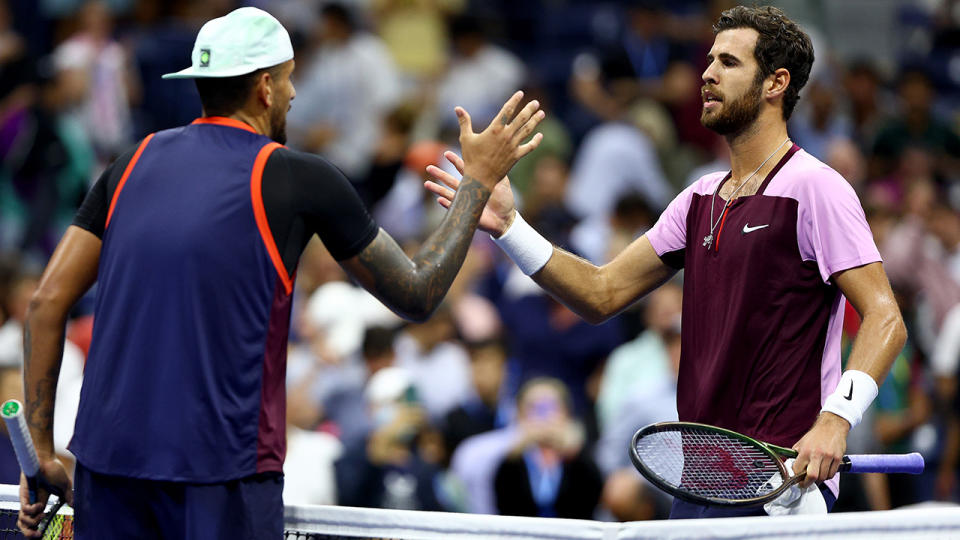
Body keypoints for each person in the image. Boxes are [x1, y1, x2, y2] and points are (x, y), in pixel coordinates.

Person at [18, 7, 544, 539]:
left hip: (107, 471)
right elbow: (417, 292)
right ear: (265, 87)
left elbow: (44, 304)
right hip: (222, 476)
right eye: (290, 79)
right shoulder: (297, 178)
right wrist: (475, 183)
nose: (295, 94)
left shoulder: (130, 161)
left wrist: (39, 450)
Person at [427, 5, 906, 518]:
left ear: (776, 83)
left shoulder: (817, 189)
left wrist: (836, 419)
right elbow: (600, 293)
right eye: (708, 60)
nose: (707, 73)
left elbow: (885, 318)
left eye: (728, 62)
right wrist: (509, 226)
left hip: (781, 483)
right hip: (698, 479)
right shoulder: (697, 199)